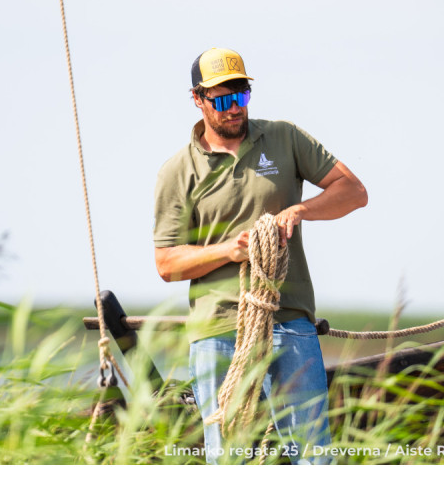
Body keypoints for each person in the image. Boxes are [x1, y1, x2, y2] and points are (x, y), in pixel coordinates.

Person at [153, 47, 367, 464]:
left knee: (312, 455)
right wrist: (229, 250)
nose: (235, 108)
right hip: (217, 328)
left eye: (242, 96)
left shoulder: (284, 138)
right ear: (197, 99)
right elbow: (167, 263)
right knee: (226, 458)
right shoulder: (177, 171)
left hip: (289, 318)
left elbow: (354, 192)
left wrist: (300, 210)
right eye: (223, 100)